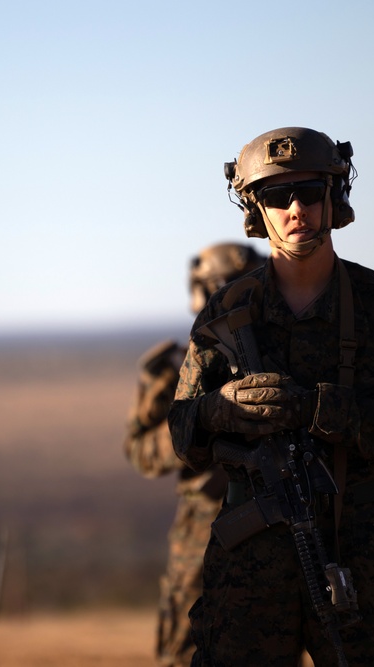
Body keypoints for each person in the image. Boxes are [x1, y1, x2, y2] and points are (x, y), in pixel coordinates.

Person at [168, 127, 374, 666]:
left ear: (335, 197)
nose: (296, 209)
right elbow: (182, 433)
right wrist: (216, 409)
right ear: (256, 209)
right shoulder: (226, 311)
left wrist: (317, 409)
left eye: (310, 193)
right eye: (277, 196)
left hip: (350, 555)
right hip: (247, 565)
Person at [123, 242, 263, 667]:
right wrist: (199, 424)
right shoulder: (177, 367)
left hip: (276, 526)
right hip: (203, 530)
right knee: (185, 650)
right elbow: (140, 452)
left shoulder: (284, 357)